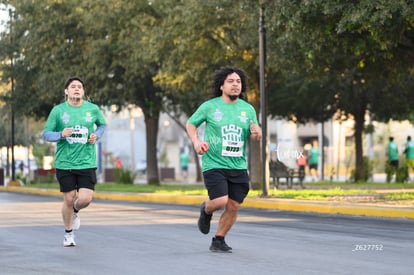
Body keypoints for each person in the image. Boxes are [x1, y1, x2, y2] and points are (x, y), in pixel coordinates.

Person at [186, 66, 262, 253]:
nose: (235, 85)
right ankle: (206, 210)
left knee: (233, 205)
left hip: (238, 165)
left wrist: (257, 133)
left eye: (238, 81)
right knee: (220, 201)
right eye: (230, 81)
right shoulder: (210, 106)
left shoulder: (248, 109)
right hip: (214, 163)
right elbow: (191, 124)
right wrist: (196, 142)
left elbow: (255, 131)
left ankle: (219, 239)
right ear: (221, 85)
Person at [42, 77, 107, 247]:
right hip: (65, 163)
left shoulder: (92, 109)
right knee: (69, 199)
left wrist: (96, 135)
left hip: (86, 161)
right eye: (73, 87)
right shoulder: (58, 111)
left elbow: (102, 125)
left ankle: (76, 210)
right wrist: (61, 134)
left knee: (85, 199)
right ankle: (68, 234)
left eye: (79, 87)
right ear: (66, 91)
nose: (76, 89)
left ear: (83, 91)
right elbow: (46, 133)